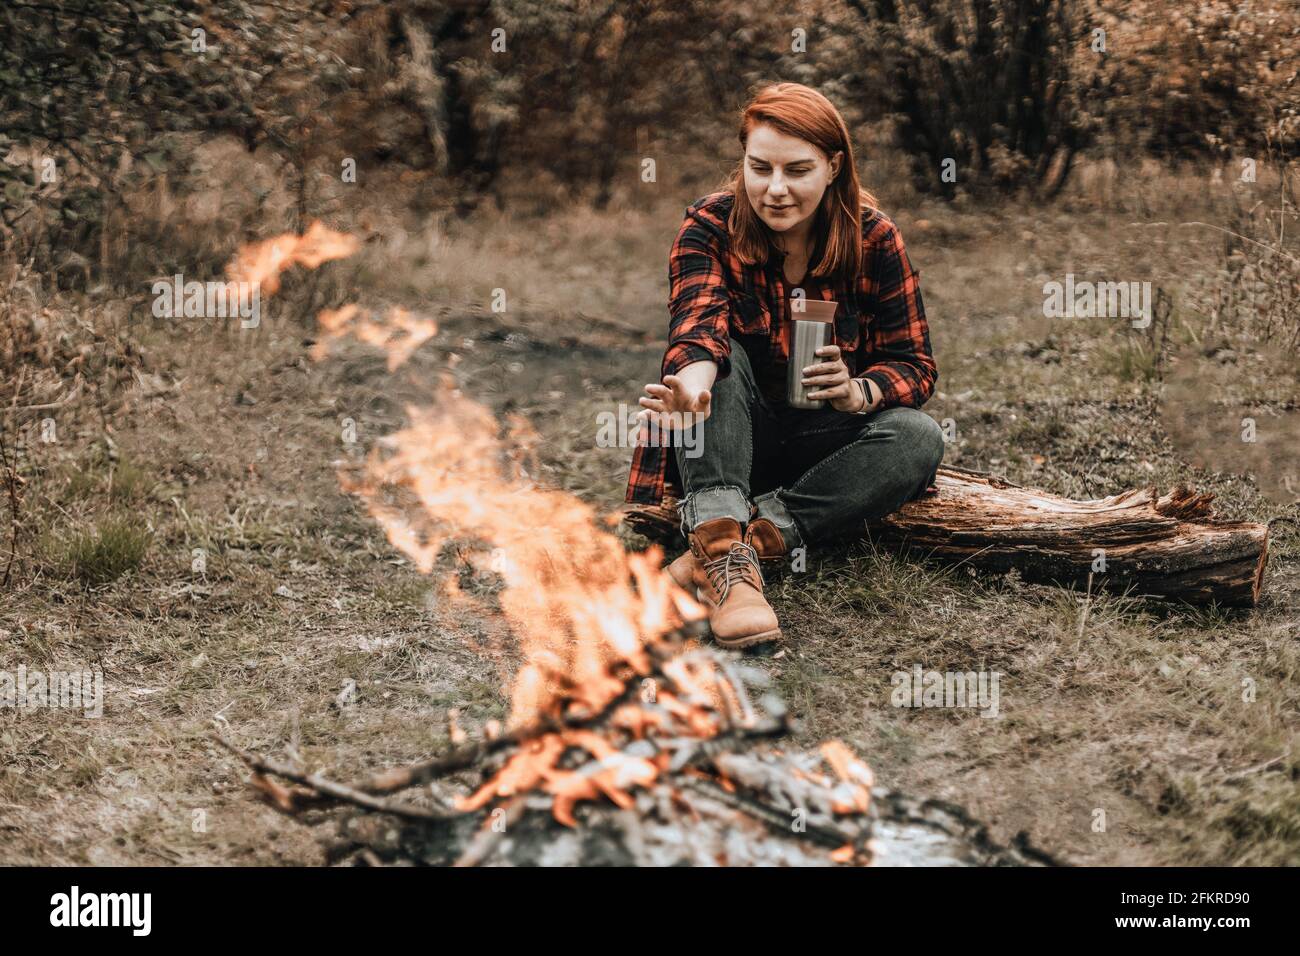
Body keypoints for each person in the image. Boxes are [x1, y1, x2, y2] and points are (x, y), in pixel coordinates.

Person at [625, 83, 943, 649]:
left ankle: (745, 541)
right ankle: (725, 559)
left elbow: (915, 364)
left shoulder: (875, 239)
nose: (775, 190)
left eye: (797, 170)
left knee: (918, 437)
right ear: (742, 162)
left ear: (833, 165)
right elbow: (698, 325)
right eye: (759, 168)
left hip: (823, 446)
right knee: (721, 357)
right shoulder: (709, 225)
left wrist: (860, 392)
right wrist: (694, 387)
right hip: (726, 436)